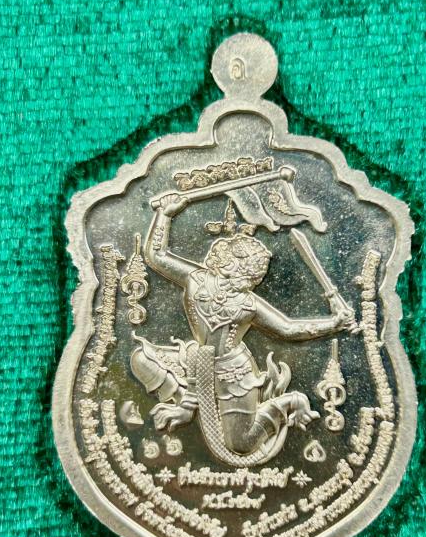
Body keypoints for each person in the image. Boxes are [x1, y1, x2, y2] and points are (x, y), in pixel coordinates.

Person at [130, 193, 351, 462]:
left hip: (234, 372)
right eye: (249, 267)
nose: (254, 275)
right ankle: (187, 403)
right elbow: (156, 256)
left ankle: (291, 401)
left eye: (256, 272)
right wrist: (164, 214)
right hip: (196, 360)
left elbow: (288, 329)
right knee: (141, 359)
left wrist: (334, 324)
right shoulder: (196, 279)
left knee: (242, 444)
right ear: (227, 262)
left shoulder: (249, 303)